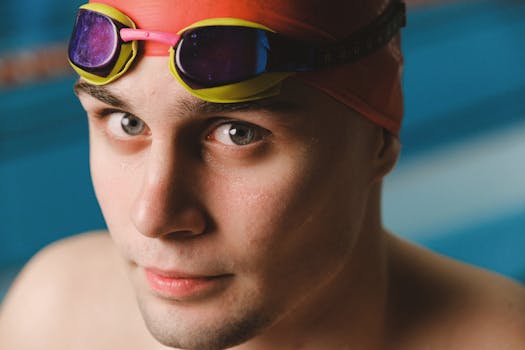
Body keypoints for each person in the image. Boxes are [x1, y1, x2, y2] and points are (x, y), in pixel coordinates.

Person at [1, 0, 524, 349]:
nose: (154, 217)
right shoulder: (53, 315)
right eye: (126, 122)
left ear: (378, 138)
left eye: (237, 134)